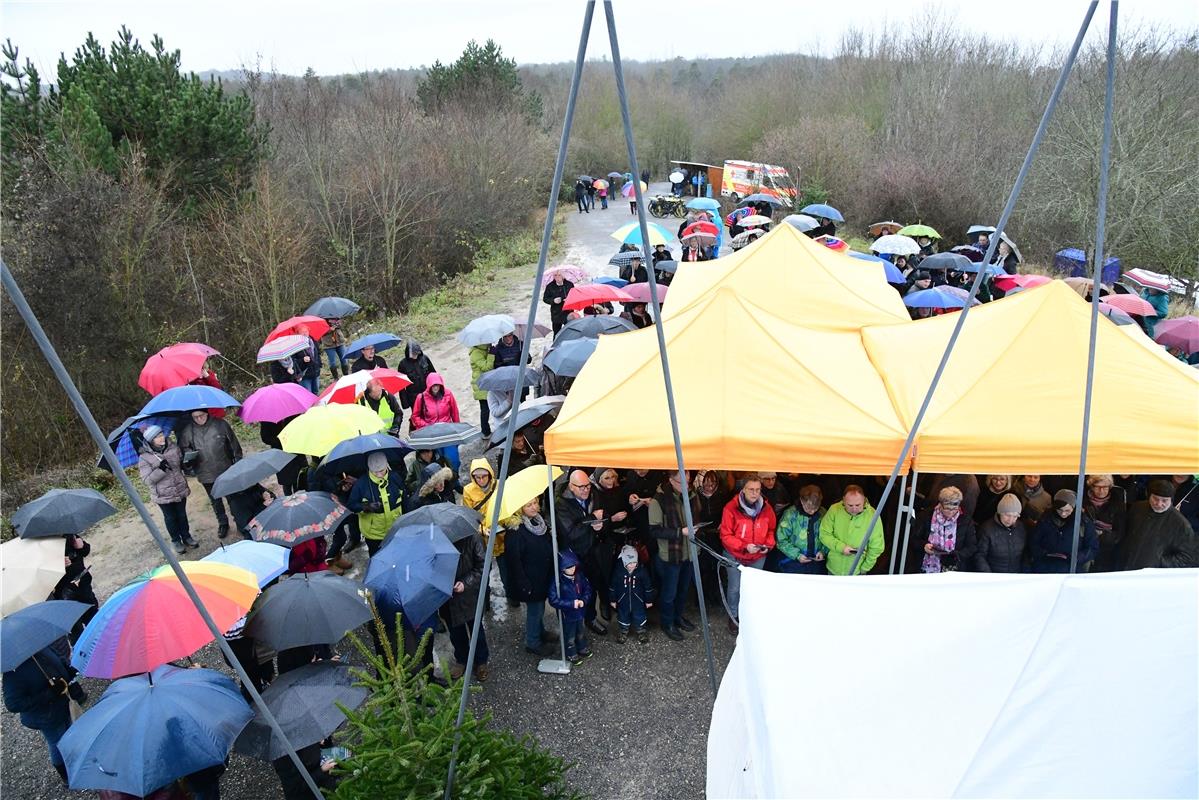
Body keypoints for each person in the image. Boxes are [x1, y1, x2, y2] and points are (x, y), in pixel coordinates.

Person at [3, 644, 85, 783]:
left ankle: (75, 760)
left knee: (69, 732)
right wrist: (48, 694)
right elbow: (13, 704)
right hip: (46, 716)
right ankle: (66, 775)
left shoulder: (42, 649)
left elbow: (59, 662)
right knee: (57, 743)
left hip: (63, 704)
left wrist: (69, 671)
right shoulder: (12, 674)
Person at [719, 474, 777, 633]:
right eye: (751, 489)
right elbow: (725, 536)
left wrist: (768, 545)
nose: (755, 493)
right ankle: (733, 615)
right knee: (735, 588)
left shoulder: (766, 508)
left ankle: (750, 615)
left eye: (758, 490)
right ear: (743, 489)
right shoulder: (730, 508)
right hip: (735, 555)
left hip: (758, 556)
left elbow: (771, 530)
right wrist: (744, 546)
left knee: (753, 588)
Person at [555, 469, 609, 635]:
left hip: (592, 550)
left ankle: (591, 618)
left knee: (591, 588)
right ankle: (576, 627)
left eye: (587, 486)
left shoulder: (594, 494)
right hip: (575, 555)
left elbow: (602, 515)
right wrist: (592, 519)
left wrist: (601, 525)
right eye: (581, 487)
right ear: (571, 487)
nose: (586, 490)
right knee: (575, 591)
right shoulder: (561, 504)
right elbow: (571, 533)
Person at [647, 470, 698, 641]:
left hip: (689, 553)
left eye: (688, 481)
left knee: (683, 590)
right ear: (670, 480)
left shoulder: (691, 495)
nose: (685, 485)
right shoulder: (658, 500)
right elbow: (654, 530)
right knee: (669, 594)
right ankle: (667, 623)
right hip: (670, 555)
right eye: (680, 482)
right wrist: (680, 532)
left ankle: (678, 617)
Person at [505, 497, 558, 656]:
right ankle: (533, 642)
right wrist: (524, 584)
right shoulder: (516, 530)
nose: (534, 507)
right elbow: (514, 561)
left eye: (535, 503)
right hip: (530, 580)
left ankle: (540, 632)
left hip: (541, 576)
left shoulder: (538, 521)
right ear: (520, 508)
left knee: (539, 608)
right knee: (535, 610)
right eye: (529, 505)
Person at [178, 408, 243, 540]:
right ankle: (223, 523)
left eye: (201, 415)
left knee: (233, 498)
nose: (199, 419)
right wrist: (189, 460)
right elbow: (184, 453)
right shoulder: (188, 431)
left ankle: (240, 521)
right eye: (195, 417)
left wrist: (238, 463)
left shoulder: (220, 424)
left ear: (207, 413)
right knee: (215, 500)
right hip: (205, 472)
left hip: (226, 469)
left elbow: (234, 445)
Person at [461, 458, 517, 607]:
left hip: (500, 535)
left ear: (490, 474)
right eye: (477, 477)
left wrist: (507, 521)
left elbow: (506, 507)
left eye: (484, 476)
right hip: (481, 539)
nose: (481, 480)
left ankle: (511, 594)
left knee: (506, 569)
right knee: (483, 570)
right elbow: (469, 516)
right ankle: (484, 599)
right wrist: (481, 530)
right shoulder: (468, 491)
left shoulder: (499, 485)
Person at [137, 425, 195, 554]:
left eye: (161, 434)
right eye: (157, 437)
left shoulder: (173, 448)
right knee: (170, 518)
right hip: (163, 495)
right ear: (151, 440)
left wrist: (187, 464)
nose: (161, 438)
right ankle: (176, 540)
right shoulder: (145, 458)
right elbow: (147, 480)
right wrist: (160, 469)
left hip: (179, 488)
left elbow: (181, 465)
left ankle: (186, 536)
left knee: (182, 515)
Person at [441, 530, 489, 682]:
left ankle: (481, 661)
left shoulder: (473, 538)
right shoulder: (436, 541)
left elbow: (483, 566)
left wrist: (465, 583)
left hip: (469, 595)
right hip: (447, 596)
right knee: (456, 631)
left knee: (476, 630)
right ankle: (462, 660)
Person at [1118, 479, 1197, 570]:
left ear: (1171, 500)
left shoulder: (1181, 524)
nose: (1159, 504)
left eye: (1164, 500)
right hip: (1126, 566)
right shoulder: (1137, 508)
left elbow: (1187, 557)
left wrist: (1158, 561)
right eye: (1155, 499)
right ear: (1149, 496)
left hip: (1154, 574)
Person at [820, 485, 885, 576]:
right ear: (843, 500)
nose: (854, 509)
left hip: (857, 571)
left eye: (858, 505)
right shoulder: (834, 510)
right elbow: (824, 534)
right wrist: (841, 547)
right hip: (833, 568)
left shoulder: (872, 515)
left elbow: (877, 547)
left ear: (864, 500)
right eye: (850, 505)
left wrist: (865, 567)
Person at [347, 452, 404, 556]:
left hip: (395, 529)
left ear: (387, 465)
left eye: (381, 470)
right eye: (374, 472)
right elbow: (351, 505)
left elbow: (404, 500)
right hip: (374, 535)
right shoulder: (361, 484)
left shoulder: (395, 478)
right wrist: (366, 507)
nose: (379, 475)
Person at [1031, 490, 1098, 573]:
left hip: (1072, 569)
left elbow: (1092, 547)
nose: (1063, 514)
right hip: (1046, 568)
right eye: (1059, 510)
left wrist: (1077, 558)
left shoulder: (1083, 522)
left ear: (1074, 508)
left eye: (1067, 511)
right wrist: (1042, 554)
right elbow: (1034, 542)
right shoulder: (1045, 519)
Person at [913, 486, 976, 573]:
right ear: (940, 505)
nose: (951, 512)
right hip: (926, 567)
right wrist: (924, 546)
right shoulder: (926, 516)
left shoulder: (966, 521)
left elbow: (972, 546)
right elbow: (914, 539)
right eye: (947, 508)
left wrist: (956, 555)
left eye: (954, 509)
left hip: (955, 568)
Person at [547, 550, 593, 663]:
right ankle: (571, 653)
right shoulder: (557, 581)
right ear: (562, 568)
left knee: (580, 631)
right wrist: (572, 604)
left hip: (580, 613)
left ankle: (582, 647)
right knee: (570, 635)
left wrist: (584, 600)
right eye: (568, 567)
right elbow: (553, 600)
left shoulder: (579, 576)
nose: (572, 568)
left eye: (573, 565)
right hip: (567, 615)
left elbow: (588, 589)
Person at [51, 534, 99, 637]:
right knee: (75, 628)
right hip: (64, 592)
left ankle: (101, 641)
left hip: (83, 584)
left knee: (94, 618)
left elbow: (85, 550)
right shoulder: (43, 544)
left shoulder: (69, 534)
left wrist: (82, 547)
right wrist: (57, 564)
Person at [773, 484, 827, 574]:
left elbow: (829, 535)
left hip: (816, 563)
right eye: (809, 508)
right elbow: (781, 539)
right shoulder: (790, 514)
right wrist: (797, 555)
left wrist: (823, 551)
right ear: (802, 501)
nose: (812, 511)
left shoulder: (823, 513)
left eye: (815, 508)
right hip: (792, 562)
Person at [609, 545, 654, 644]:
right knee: (623, 615)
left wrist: (649, 600)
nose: (632, 565)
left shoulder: (642, 571)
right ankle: (623, 631)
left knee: (640, 615)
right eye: (629, 563)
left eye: (635, 562)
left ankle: (641, 631)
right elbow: (613, 586)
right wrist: (612, 600)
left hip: (638, 600)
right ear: (624, 561)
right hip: (623, 600)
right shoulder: (618, 571)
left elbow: (648, 587)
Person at [974, 493, 1028, 572]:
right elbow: (980, 555)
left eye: (1015, 516)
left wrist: (1025, 573)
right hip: (994, 575)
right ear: (1000, 512)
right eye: (1007, 515)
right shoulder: (987, 529)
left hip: (1016, 575)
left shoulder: (1021, 528)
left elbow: (1025, 554)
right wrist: (988, 575)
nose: (1010, 520)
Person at [1083, 474, 1127, 571]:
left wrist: (1102, 535)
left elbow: (1119, 533)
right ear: (1091, 486)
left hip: (1108, 550)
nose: (1101, 491)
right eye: (1098, 487)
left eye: (1105, 487)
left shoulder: (1117, 504)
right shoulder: (1083, 501)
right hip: (1086, 547)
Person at [395, 342, 435, 409]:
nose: (415, 355)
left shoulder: (424, 358)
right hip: (414, 398)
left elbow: (433, 375)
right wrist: (405, 403)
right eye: (413, 353)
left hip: (428, 394)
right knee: (418, 417)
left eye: (416, 353)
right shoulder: (403, 364)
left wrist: (437, 392)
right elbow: (401, 386)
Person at [294, 324, 321, 394]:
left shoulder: (313, 341)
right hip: (304, 374)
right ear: (298, 334)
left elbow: (318, 353)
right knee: (308, 393)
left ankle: (317, 405)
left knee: (316, 392)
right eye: (302, 332)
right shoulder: (295, 345)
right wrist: (302, 360)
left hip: (315, 371)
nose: (305, 333)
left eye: (306, 331)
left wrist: (319, 365)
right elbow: (293, 362)